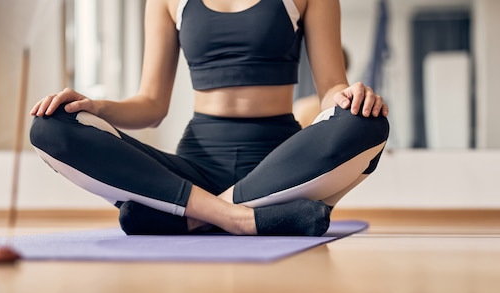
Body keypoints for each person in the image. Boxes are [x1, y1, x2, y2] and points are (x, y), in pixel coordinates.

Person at [29, 0, 389, 237]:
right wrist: (95, 107)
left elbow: (331, 87)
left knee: (366, 122)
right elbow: (151, 105)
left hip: (278, 166)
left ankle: (193, 216)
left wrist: (349, 97)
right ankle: (243, 218)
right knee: (52, 126)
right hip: (194, 171)